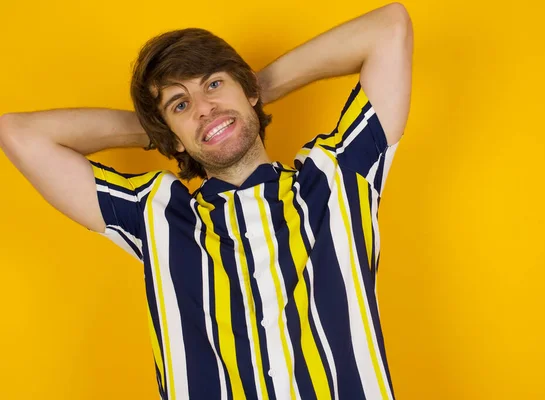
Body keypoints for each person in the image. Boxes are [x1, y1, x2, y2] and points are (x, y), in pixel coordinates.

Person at [0, 3, 413, 399]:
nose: (204, 109)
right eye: (181, 105)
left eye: (214, 84)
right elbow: (19, 134)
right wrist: (163, 132)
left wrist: (255, 86)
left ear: (247, 89)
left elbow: (389, 27)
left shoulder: (337, 177)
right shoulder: (159, 216)